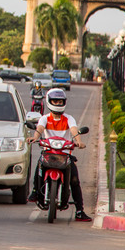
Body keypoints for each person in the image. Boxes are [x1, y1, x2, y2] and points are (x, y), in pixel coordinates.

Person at [25, 88, 91, 222]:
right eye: (55, 101)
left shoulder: (69, 118)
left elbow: (74, 130)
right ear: (49, 101)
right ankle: (35, 191)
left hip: (65, 154)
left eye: (60, 101)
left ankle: (79, 211)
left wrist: (79, 141)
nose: (58, 103)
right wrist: (35, 137)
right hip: (49, 153)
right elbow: (39, 129)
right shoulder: (44, 118)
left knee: (74, 180)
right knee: (39, 166)